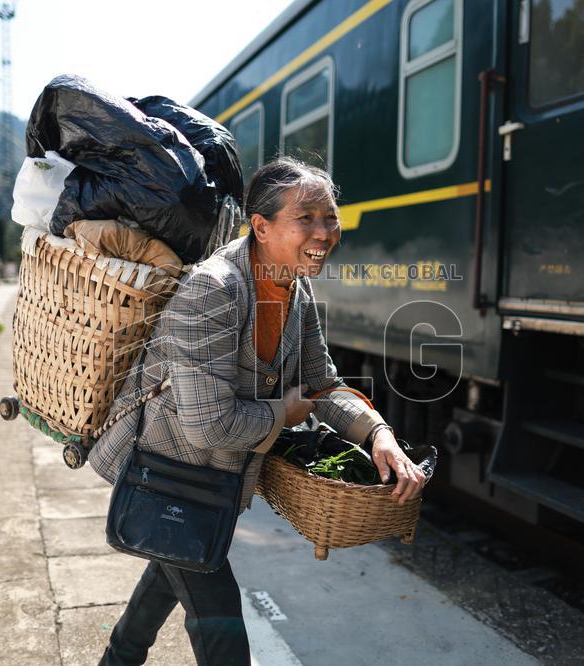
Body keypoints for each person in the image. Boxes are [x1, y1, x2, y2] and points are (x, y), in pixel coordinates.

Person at [89, 157, 426, 665]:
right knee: (219, 616)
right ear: (261, 227)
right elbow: (208, 427)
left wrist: (377, 433)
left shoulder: (295, 290)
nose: (323, 232)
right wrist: (282, 415)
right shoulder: (214, 289)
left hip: (212, 483)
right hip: (163, 472)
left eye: (330, 218)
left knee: (171, 570)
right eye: (306, 217)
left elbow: (322, 384)